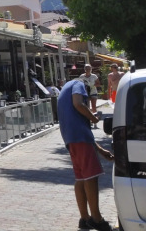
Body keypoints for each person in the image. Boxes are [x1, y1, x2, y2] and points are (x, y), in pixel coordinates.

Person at [57, 78, 115, 231]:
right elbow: (78, 103)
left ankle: (84, 218)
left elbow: (83, 133)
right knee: (91, 177)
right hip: (79, 138)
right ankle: (96, 219)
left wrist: (101, 150)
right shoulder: (79, 84)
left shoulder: (65, 88)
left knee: (81, 178)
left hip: (71, 139)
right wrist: (94, 118)